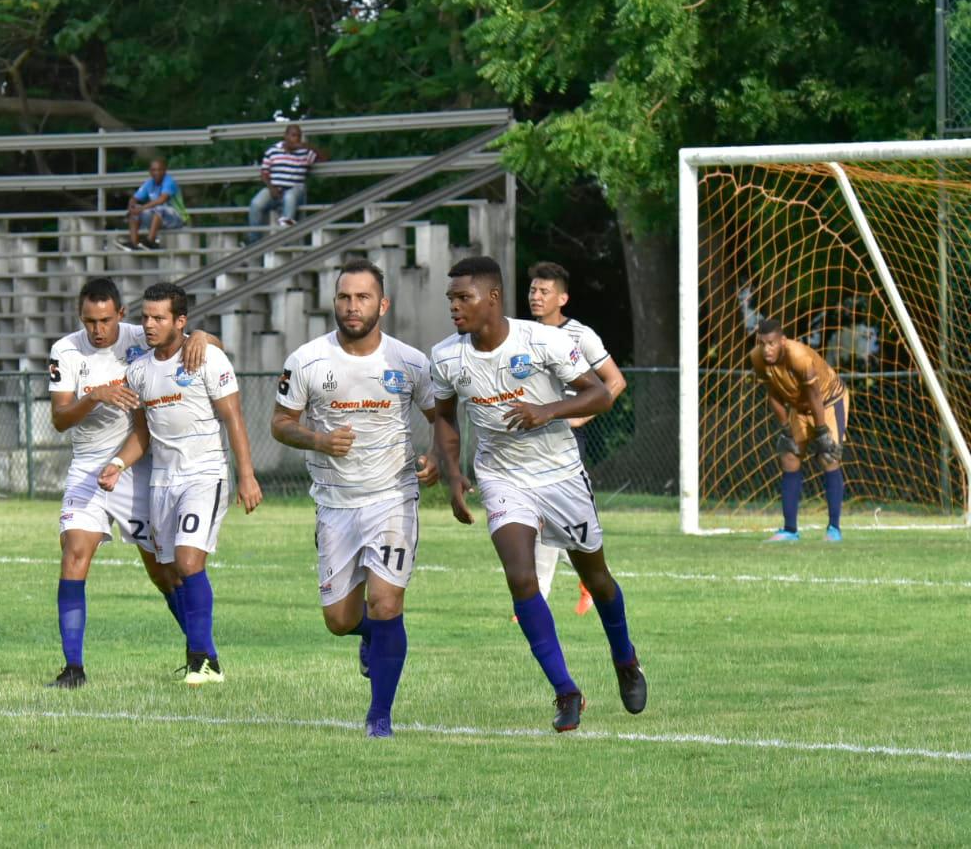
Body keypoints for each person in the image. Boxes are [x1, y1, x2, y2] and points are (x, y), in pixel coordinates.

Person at [430, 255, 647, 733]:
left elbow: (600, 394)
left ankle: (625, 658)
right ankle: (566, 690)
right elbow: (443, 416)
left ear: (492, 298)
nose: (454, 307)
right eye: (450, 299)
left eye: (463, 297)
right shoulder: (446, 356)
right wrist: (453, 473)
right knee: (521, 580)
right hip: (502, 479)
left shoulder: (544, 341)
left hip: (561, 474)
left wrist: (545, 411)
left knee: (598, 576)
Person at [270, 258, 439, 738]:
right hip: (334, 503)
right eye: (344, 297)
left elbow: (440, 418)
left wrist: (438, 460)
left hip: (392, 498)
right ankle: (370, 638)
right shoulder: (306, 361)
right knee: (340, 620)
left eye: (363, 297)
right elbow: (280, 424)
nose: (352, 306)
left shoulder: (408, 362)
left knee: (386, 602)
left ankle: (379, 717)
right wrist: (319, 441)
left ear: (382, 304)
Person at [46, 277, 218, 688]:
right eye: (89, 321)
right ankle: (73, 669)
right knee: (74, 551)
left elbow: (197, 343)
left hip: (138, 469)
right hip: (89, 468)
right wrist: (95, 396)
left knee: (165, 574)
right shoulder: (65, 351)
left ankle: (204, 654)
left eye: (105, 320)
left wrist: (206, 337)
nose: (97, 330)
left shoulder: (141, 335)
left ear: (120, 316)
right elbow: (58, 419)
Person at [99, 282, 263, 686]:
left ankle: (199, 660)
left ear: (180, 321)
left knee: (190, 563)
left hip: (204, 475)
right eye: (146, 318)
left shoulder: (206, 357)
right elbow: (143, 433)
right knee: (171, 573)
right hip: (161, 481)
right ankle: (209, 658)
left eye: (159, 318)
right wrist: (118, 463)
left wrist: (247, 474)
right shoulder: (138, 371)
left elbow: (234, 419)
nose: (150, 325)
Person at [526, 261, 627, 616]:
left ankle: (543, 593)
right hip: (530, 439)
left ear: (562, 298)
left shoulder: (580, 335)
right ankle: (552, 590)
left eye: (544, 291)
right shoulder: (523, 334)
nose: (536, 297)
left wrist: (579, 416)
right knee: (535, 520)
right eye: (533, 290)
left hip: (564, 442)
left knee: (555, 519)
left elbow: (615, 382)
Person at [750, 318, 848, 542]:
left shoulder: (799, 356)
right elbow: (772, 393)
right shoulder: (757, 358)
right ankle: (790, 530)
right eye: (763, 343)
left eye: (772, 343)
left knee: (828, 456)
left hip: (829, 400)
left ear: (783, 341)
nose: (767, 349)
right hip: (799, 406)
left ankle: (834, 529)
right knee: (789, 457)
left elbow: (815, 395)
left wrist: (822, 431)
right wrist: (785, 427)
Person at [246, 124, 327, 244]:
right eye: (294, 135)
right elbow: (264, 173)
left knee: (289, 198)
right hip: (274, 188)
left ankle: (284, 241)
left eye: (299, 136)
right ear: (286, 136)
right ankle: (253, 242)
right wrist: (271, 187)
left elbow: (324, 158)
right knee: (256, 203)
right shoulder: (273, 150)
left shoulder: (304, 152)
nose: (297, 139)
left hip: (295, 189)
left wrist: (307, 146)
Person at [121, 158, 186, 251]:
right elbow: (135, 198)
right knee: (135, 210)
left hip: (177, 218)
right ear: (150, 172)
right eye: (154, 170)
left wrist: (141, 208)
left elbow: (161, 200)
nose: (157, 172)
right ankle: (134, 243)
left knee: (159, 208)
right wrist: (131, 206)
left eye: (159, 169)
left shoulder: (169, 181)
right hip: (158, 218)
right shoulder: (149, 183)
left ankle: (150, 241)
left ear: (164, 171)